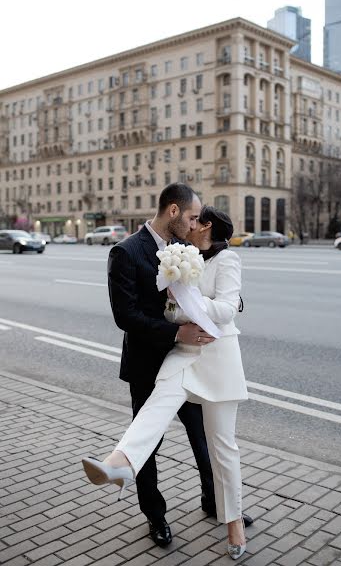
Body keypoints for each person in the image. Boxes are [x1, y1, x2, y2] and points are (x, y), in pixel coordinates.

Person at [83, 204, 248, 560]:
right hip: (183, 352)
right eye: (187, 217)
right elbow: (162, 312)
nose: (188, 225)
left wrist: (189, 302)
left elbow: (228, 308)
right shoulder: (171, 253)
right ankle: (119, 462)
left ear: (205, 227)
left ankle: (231, 519)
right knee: (156, 407)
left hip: (218, 358)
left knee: (221, 446)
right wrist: (176, 310)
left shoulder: (226, 260)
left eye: (194, 221)